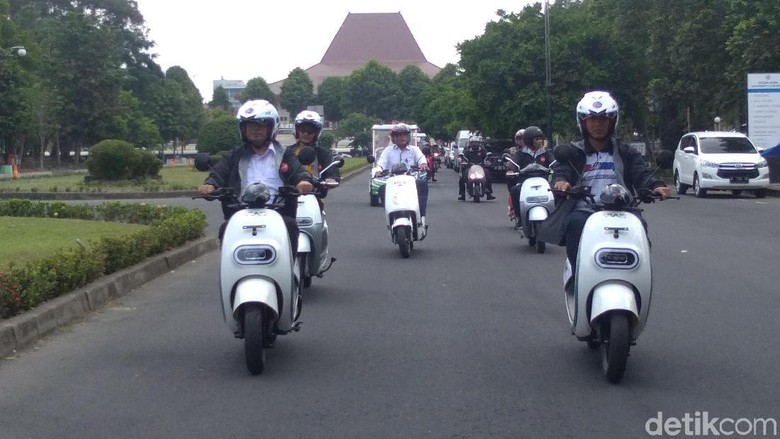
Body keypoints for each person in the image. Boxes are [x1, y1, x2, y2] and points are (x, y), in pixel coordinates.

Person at [548, 91, 670, 274]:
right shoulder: (573, 152)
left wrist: (655, 185)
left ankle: (639, 277)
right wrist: (561, 182)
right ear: (583, 122)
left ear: (612, 121)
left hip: (623, 210)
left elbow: (641, 173)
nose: (598, 125)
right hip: (585, 210)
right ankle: (578, 276)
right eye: (592, 119)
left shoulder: (625, 151)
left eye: (603, 119)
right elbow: (561, 171)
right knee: (573, 224)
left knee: (640, 227)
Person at [198, 100, 313, 252]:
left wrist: (303, 181)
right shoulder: (233, 156)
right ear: (243, 129)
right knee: (225, 229)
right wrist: (210, 185)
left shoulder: (285, 154)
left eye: (261, 124)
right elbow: (219, 173)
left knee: (290, 226)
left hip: (278, 214)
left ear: (271, 127)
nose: (255, 129)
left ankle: (290, 273)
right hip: (240, 214)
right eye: (250, 125)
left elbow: (299, 172)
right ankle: (230, 276)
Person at [374, 123, 429, 224]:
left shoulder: (414, 150)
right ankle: (390, 216)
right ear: (394, 137)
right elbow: (381, 163)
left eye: (404, 135)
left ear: (408, 136)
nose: (402, 137)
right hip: (393, 181)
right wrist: (378, 170)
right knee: (382, 189)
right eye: (399, 135)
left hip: (410, 180)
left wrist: (423, 164)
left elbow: (421, 159)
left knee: (422, 185)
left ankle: (421, 217)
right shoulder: (388, 150)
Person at [289, 110, 340, 209]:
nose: (306, 134)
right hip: (288, 197)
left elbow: (331, 168)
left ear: (316, 133)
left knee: (317, 211)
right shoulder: (287, 152)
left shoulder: (323, 153)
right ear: (297, 130)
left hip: (314, 196)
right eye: (303, 130)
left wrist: (331, 178)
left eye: (310, 131)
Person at [508, 126, 554, 228]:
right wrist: (511, 169)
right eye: (537, 139)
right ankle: (519, 217)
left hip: (543, 181)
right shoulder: (520, 153)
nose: (540, 141)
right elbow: (513, 164)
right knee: (515, 190)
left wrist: (557, 167)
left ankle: (555, 217)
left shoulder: (546, 152)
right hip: (524, 182)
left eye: (541, 138)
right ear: (529, 140)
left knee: (557, 191)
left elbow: (554, 163)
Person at [458, 136, 495, 200]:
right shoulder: (467, 150)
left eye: (476, 143)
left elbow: (486, 157)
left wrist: (487, 161)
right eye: (473, 143)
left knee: (487, 174)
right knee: (462, 177)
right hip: (469, 168)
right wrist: (464, 162)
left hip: (480, 167)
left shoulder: (482, 150)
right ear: (470, 143)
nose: (475, 144)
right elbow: (463, 158)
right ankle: (462, 194)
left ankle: (488, 193)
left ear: (479, 143)